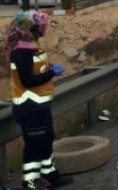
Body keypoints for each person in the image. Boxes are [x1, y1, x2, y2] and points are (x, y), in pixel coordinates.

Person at [6, 10, 74, 189]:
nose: (42, 29)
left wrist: (49, 67)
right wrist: (51, 73)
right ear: (30, 27)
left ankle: (50, 175)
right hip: (30, 108)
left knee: (46, 140)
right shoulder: (21, 51)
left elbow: (35, 69)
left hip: (39, 106)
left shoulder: (30, 47)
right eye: (39, 26)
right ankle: (29, 181)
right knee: (34, 146)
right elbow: (27, 80)